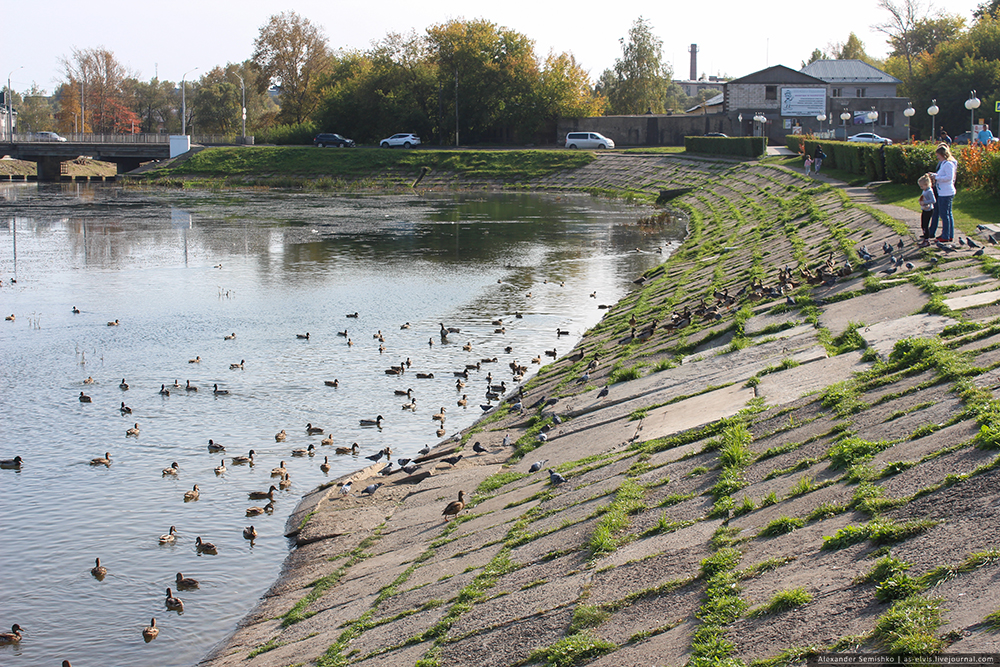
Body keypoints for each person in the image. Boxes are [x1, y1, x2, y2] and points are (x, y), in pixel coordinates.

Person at [932, 144, 957, 243]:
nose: (937, 157)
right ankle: (949, 234)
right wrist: (934, 175)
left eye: (938, 155)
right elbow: (942, 175)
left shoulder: (949, 164)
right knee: (947, 214)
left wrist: (936, 178)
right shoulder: (943, 163)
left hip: (946, 192)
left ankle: (946, 235)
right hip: (943, 191)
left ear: (943, 154)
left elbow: (949, 177)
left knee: (944, 215)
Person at [917, 173, 936, 245]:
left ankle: (927, 240)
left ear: (926, 184)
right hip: (924, 209)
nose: (921, 188)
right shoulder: (925, 190)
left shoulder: (929, 191)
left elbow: (933, 200)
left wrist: (925, 202)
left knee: (925, 225)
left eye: (922, 186)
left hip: (929, 210)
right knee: (923, 225)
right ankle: (925, 238)